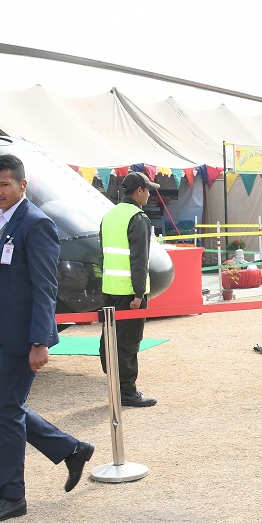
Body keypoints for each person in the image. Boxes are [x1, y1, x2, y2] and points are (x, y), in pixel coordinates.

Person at [0, 153, 93, 523]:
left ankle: (10, 498)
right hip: (1, 331)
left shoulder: (35, 224)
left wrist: (41, 341)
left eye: (4, 184)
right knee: (0, 408)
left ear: (23, 185)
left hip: (23, 335)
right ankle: (72, 449)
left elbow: (44, 287)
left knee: (5, 411)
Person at [99, 172, 160, 409]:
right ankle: (127, 391)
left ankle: (115, 386)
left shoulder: (109, 216)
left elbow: (102, 256)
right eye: (148, 189)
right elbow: (139, 259)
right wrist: (137, 293)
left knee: (110, 339)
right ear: (139, 191)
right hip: (129, 292)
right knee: (129, 342)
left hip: (110, 289)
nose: (149, 194)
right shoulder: (139, 218)